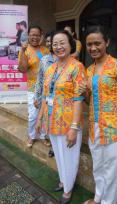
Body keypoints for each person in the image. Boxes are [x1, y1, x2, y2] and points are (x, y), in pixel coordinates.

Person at [79, 25, 117, 204]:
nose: (93, 48)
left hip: (115, 128)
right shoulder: (88, 70)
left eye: (97, 43)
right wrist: (85, 94)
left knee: (111, 171)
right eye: (89, 44)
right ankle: (98, 199)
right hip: (94, 127)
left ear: (107, 43)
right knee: (98, 167)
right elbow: (90, 102)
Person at [35, 30, 86, 204]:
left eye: (62, 43)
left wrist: (74, 127)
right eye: (55, 44)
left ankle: (68, 189)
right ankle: (64, 181)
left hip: (69, 121)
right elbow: (45, 96)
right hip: (52, 120)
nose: (58, 47)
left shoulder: (77, 67)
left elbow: (79, 98)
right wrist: (40, 119)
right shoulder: (50, 68)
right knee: (58, 153)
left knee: (70, 156)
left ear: (70, 44)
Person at [18, 25, 49, 147]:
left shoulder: (45, 50)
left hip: (46, 89)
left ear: (41, 36)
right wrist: (23, 51)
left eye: (37, 35)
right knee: (33, 115)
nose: (34, 37)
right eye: (32, 35)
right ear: (28, 35)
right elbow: (23, 69)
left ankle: (42, 136)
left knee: (45, 114)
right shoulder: (25, 50)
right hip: (32, 88)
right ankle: (31, 136)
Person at [34, 31, 57, 152]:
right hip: (46, 98)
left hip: (60, 99)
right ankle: (53, 147)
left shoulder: (65, 59)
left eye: (52, 41)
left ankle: (57, 148)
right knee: (48, 123)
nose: (50, 44)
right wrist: (36, 97)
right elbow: (40, 80)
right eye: (48, 41)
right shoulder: (43, 60)